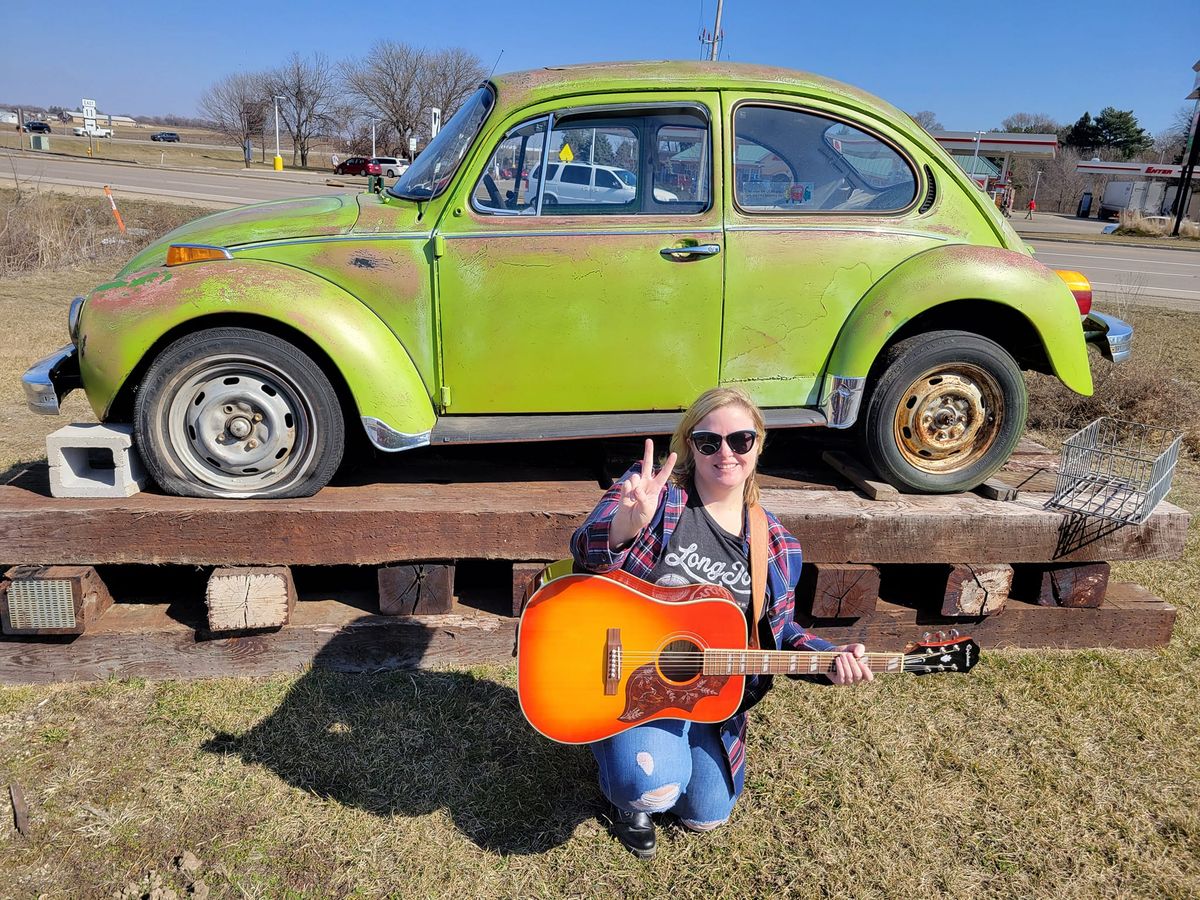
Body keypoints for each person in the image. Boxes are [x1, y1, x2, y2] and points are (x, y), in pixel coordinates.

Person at [570, 387, 873, 859]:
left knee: (706, 815)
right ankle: (625, 778)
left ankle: (676, 747)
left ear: (758, 445)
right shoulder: (656, 494)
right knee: (652, 788)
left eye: (740, 440)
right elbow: (586, 553)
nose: (725, 453)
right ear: (690, 445)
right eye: (709, 442)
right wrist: (625, 526)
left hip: (710, 692)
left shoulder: (775, 544)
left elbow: (783, 631)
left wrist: (829, 659)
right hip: (631, 677)